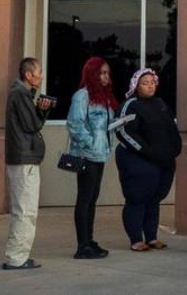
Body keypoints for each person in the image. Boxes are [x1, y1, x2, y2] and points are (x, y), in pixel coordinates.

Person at [114, 68, 181, 251]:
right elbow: (123, 131)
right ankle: (136, 239)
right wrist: (147, 152)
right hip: (138, 162)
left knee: (154, 199)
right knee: (137, 199)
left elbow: (171, 128)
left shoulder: (160, 103)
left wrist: (175, 149)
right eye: (145, 83)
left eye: (152, 82)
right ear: (136, 86)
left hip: (163, 162)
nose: (150, 86)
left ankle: (151, 237)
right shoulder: (131, 105)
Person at [66, 57, 117, 259]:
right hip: (87, 155)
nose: (106, 77)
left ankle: (89, 240)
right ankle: (82, 245)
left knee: (92, 199)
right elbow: (75, 124)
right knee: (85, 198)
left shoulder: (104, 97)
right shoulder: (82, 96)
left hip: (100, 154)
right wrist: (89, 143)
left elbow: (106, 125)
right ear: (93, 74)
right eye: (102, 73)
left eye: (108, 73)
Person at [3, 57, 51, 270]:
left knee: (24, 209)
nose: (41, 75)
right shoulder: (19, 93)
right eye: (38, 71)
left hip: (22, 157)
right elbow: (33, 125)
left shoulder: (21, 93)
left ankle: (18, 255)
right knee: (25, 210)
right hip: (24, 159)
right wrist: (42, 110)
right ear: (28, 75)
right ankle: (17, 258)